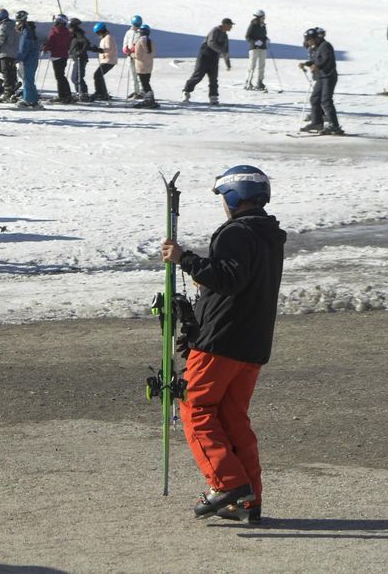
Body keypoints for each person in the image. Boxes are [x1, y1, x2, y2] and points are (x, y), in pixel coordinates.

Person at [160, 165, 286, 525]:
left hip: (221, 341)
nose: (223, 206)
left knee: (196, 408)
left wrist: (186, 260)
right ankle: (248, 500)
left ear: (234, 196)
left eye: (224, 198)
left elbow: (229, 278)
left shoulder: (236, 232)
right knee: (232, 418)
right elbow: (239, 281)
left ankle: (228, 485)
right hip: (252, 342)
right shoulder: (268, 234)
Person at [298, 27, 341, 134]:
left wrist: (318, 66)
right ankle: (317, 122)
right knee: (314, 99)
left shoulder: (325, 45)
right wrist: (306, 64)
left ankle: (334, 125)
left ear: (315, 38)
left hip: (329, 76)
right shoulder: (318, 46)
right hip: (321, 77)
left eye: (309, 39)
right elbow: (315, 60)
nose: (308, 42)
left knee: (326, 100)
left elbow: (327, 60)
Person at [183, 18, 235, 105]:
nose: (231, 27)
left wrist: (228, 64)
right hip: (204, 56)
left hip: (214, 59)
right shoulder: (215, 30)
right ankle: (186, 92)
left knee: (213, 79)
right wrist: (220, 50)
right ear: (225, 24)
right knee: (198, 76)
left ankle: (213, 97)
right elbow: (211, 43)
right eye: (230, 25)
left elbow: (226, 51)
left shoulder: (225, 36)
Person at [43, 16, 74, 103]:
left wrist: (45, 48)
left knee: (59, 76)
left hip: (56, 56)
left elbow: (50, 43)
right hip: (64, 55)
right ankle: (67, 94)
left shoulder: (54, 31)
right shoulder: (67, 32)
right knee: (61, 76)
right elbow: (68, 43)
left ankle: (63, 95)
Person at [16, 14, 42, 110]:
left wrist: (17, 59)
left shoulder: (26, 33)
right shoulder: (29, 32)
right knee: (28, 80)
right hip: (31, 59)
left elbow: (24, 49)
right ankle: (31, 99)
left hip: (28, 60)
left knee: (28, 80)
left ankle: (30, 101)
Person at [132, 25, 159, 108]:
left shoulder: (139, 42)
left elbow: (138, 56)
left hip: (141, 67)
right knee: (146, 83)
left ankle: (149, 100)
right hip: (149, 67)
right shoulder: (151, 42)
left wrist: (130, 54)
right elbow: (153, 54)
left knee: (145, 85)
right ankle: (150, 99)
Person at [244, 11, 268, 92]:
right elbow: (247, 36)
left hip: (263, 47)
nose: (264, 19)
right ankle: (248, 81)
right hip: (254, 48)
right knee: (252, 65)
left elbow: (263, 35)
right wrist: (255, 42)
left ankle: (259, 82)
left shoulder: (263, 26)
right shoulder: (253, 25)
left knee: (262, 65)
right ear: (258, 17)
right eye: (262, 17)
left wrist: (265, 39)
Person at [67, 17, 90, 101]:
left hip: (80, 59)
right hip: (77, 59)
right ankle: (81, 93)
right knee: (76, 77)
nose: (69, 29)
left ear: (74, 26)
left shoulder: (78, 34)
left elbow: (86, 43)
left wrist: (80, 52)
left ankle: (83, 94)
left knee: (76, 78)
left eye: (70, 27)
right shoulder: (75, 35)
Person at [93, 23, 117, 100]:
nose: (98, 35)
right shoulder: (105, 38)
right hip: (106, 60)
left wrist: (100, 50)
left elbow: (110, 49)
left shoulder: (108, 37)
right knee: (98, 75)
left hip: (109, 60)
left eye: (98, 33)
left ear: (101, 31)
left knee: (97, 75)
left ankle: (100, 92)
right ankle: (103, 93)